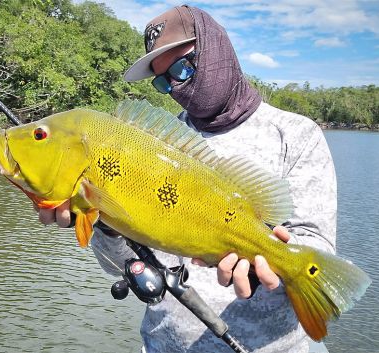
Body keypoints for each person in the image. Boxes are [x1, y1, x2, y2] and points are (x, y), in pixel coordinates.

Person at [39, 5, 336, 353]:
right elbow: (124, 266)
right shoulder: (156, 144)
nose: (177, 86)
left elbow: (318, 249)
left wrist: (271, 264)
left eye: (183, 67)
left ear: (217, 51)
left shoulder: (295, 134)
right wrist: (103, 222)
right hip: (163, 344)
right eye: (164, 81)